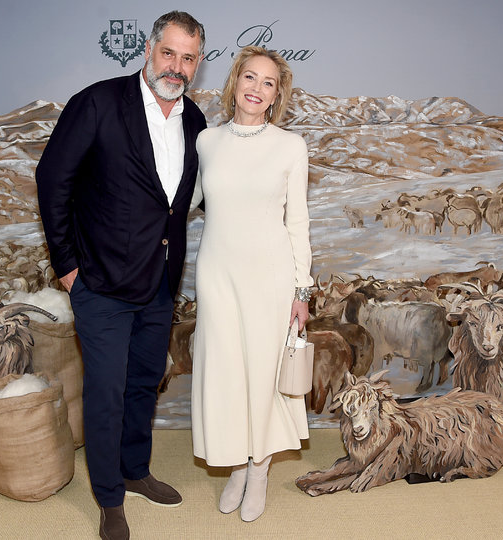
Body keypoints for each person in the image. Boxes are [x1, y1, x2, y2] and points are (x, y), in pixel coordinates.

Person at [35, 11, 206, 540]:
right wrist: (67, 268)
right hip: (101, 284)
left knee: (142, 385)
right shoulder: (98, 102)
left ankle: (135, 471)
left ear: (198, 64)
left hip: (160, 284)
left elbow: (182, 203)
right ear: (149, 50)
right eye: (168, 53)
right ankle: (109, 497)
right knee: (106, 394)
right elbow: (52, 179)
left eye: (188, 58)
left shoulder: (195, 121)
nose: (176, 66)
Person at [190, 45, 314, 523]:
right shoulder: (206, 142)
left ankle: (258, 468)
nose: (257, 88)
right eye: (250, 77)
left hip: (270, 278)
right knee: (226, 373)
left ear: (277, 94)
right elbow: (182, 203)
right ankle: (238, 466)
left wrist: (302, 290)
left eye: (268, 82)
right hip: (217, 274)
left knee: (262, 373)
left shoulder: (290, 146)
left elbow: (297, 223)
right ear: (234, 81)